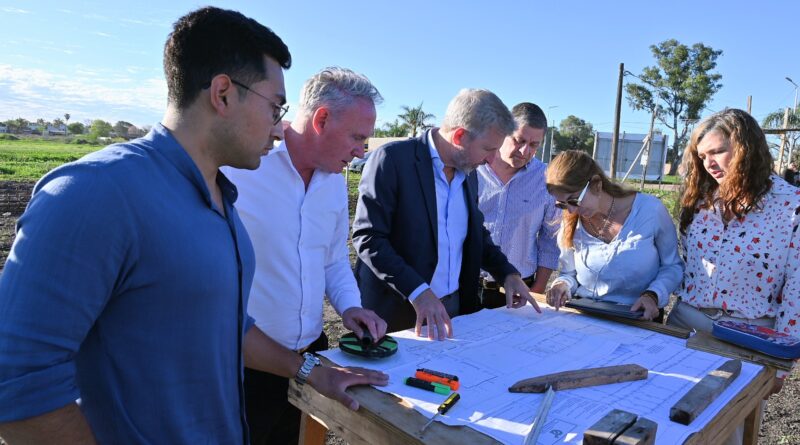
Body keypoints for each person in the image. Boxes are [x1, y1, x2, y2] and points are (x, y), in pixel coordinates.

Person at [0, 8, 386, 444]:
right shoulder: (95, 191)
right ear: (223, 94)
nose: (278, 125)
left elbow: (229, 324)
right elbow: (16, 383)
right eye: (274, 106)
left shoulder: (220, 196)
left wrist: (310, 369)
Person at [222, 67, 388, 445]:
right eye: (357, 137)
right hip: (241, 367)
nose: (360, 151)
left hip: (311, 359)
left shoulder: (334, 183)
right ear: (322, 119)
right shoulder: (241, 168)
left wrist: (351, 307)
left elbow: (333, 258)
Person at [352, 88, 540, 340]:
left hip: (453, 310)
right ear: (460, 136)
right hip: (396, 314)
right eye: (488, 149)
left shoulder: (469, 174)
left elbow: (475, 234)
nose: (492, 159)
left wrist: (507, 273)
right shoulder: (393, 161)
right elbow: (369, 238)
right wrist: (418, 291)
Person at [670, 107, 800, 445]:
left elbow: (797, 291)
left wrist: (782, 361)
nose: (709, 163)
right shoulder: (699, 200)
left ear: (746, 148)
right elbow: (685, 264)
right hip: (685, 327)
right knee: (669, 426)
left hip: (749, 338)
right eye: (702, 156)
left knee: (728, 435)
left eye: (717, 151)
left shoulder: (791, 206)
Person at [544, 150, 683, 321]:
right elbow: (569, 273)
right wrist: (562, 285)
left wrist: (653, 295)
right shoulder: (571, 222)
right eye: (562, 205)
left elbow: (673, 266)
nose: (571, 210)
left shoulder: (650, 210)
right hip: (585, 316)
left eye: (574, 200)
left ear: (596, 184)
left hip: (639, 317)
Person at [476, 102, 560, 308]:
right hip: (466, 286)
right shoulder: (473, 169)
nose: (524, 151)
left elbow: (550, 241)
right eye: (519, 140)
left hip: (520, 291)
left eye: (533, 145)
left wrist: (537, 290)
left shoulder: (546, 180)